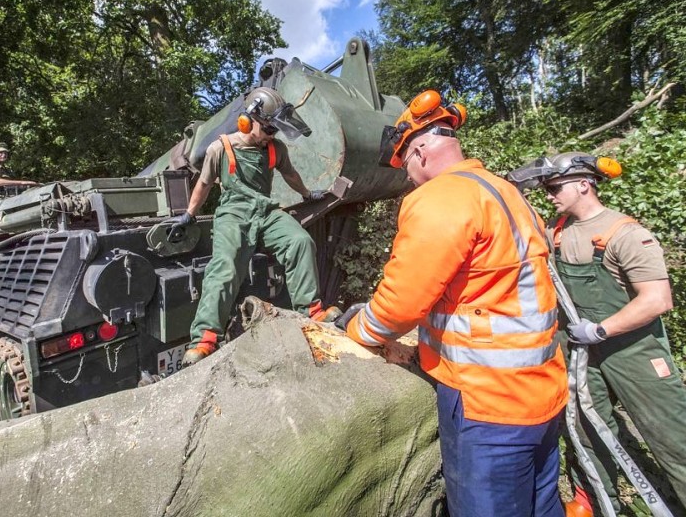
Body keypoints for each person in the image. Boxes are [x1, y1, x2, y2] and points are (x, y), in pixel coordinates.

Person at [333, 90, 568, 517]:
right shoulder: (504, 192)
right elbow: (483, 292)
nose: (409, 177)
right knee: (542, 506)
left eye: (406, 166)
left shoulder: (441, 198)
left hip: (488, 405)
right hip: (543, 391)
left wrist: (357, 332)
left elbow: (400, 304)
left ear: (419, 152)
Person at [514, 152, 686, 517]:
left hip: (632, 347)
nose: (550, 195)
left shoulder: (625, 233)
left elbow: (657, 299)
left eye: (555, 187)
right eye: (546, 189)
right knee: (586, 426)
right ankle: (594, 499)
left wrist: (601, 329)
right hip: (580, 349)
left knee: (671, 433)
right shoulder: (555, 232)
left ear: (584, 184)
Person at [167, 87, 336, 366]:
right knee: (225, 265)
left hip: (265, 211)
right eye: (269, 129)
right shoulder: (219, 148)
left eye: (275, 131)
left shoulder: (275, 149)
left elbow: (291, 175)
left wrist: (307, 195)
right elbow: (204, 184)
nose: (273, 135)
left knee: (300, 241)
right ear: (247, 121)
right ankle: (205, 338)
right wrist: (189, 215)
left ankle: (312, 311)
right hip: (233, 214)